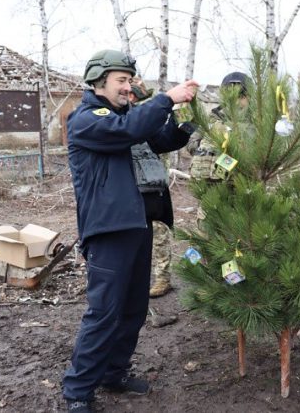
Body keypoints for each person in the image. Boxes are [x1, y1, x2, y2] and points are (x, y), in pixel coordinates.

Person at [62, 49, 198, 413]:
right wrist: (166, 97)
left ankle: (113, 372)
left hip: (138, 223)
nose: (127, 87)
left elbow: (162, 138)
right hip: (108, 230)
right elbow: (132, 128)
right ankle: (78, 391)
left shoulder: (126, 119)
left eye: (129, 80)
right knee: (104, 310)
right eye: (120, 81)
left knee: (133, 308)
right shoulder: (88, 120)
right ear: (97, 82)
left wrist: (191, 123)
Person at [127, 80, 175, 298]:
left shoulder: (146, 121)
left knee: (160, 235)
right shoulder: (117, 120)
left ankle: (163, 277)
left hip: (154, 187)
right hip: (132, 191)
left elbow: (165, 139)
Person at [186, 71, 251, 225]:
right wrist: (212, 150)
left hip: (243, 200)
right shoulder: (211, 119)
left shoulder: (257, 124)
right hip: (211, 196)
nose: (236, 99)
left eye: (241, 94)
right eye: (230, 92)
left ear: (249, 97)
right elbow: (191, 144)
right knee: (206, 238)